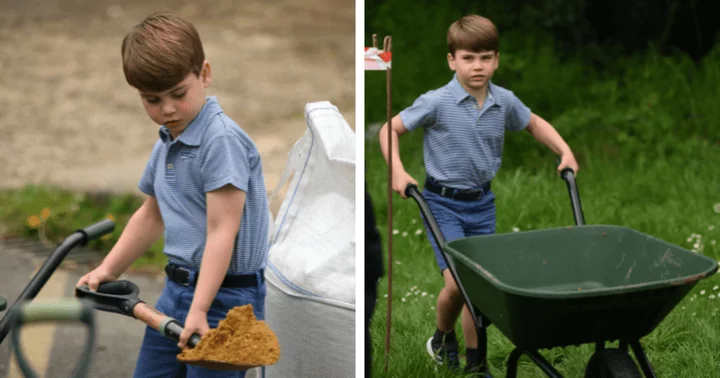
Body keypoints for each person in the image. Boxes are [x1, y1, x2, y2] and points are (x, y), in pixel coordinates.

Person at [378, 14, 580, 375]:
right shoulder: (436, 101)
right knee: (459, 284)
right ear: (452, 60)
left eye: (486, 57)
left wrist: (564, 151)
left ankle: (476, 364)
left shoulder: (504, 101)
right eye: (468, 58)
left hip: (482, 205)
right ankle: (442, 336)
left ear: (496, 59)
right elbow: (388, 131)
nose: (478, 66)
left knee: (479, 289)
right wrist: (397, 170)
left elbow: (534, 123)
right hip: (441, 203)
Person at [76, 12, 269, 378]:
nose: (166, 109)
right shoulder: (168, 141)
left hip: (225, 303)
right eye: (152, 99)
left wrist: (200, 309)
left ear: (205, 74)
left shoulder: (220, 141)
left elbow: (222, 231)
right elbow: (152, 213)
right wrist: (107, 270)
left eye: (178, 94)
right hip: (176, 293)